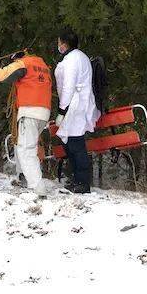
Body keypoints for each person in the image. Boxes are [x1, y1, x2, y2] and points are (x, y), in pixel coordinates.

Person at [0, 50, 53, 194]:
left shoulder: (23, 64)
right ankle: (34, 183)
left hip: (29, 111)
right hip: (43, 111)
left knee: (25, 151)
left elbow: (2, 75)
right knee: (30, 149)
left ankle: (37, 187)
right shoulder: (42, 65)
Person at [54, 29, 101, 194]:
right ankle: (76, 179)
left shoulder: (73, 59)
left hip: (76, 106)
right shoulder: (80, 56)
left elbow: (68, 86)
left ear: (64, 44)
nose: (58, 46)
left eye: (59, 42)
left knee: (76, 144)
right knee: (70, 144)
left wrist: (62, 109)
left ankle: (82, 182)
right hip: (78, 105)